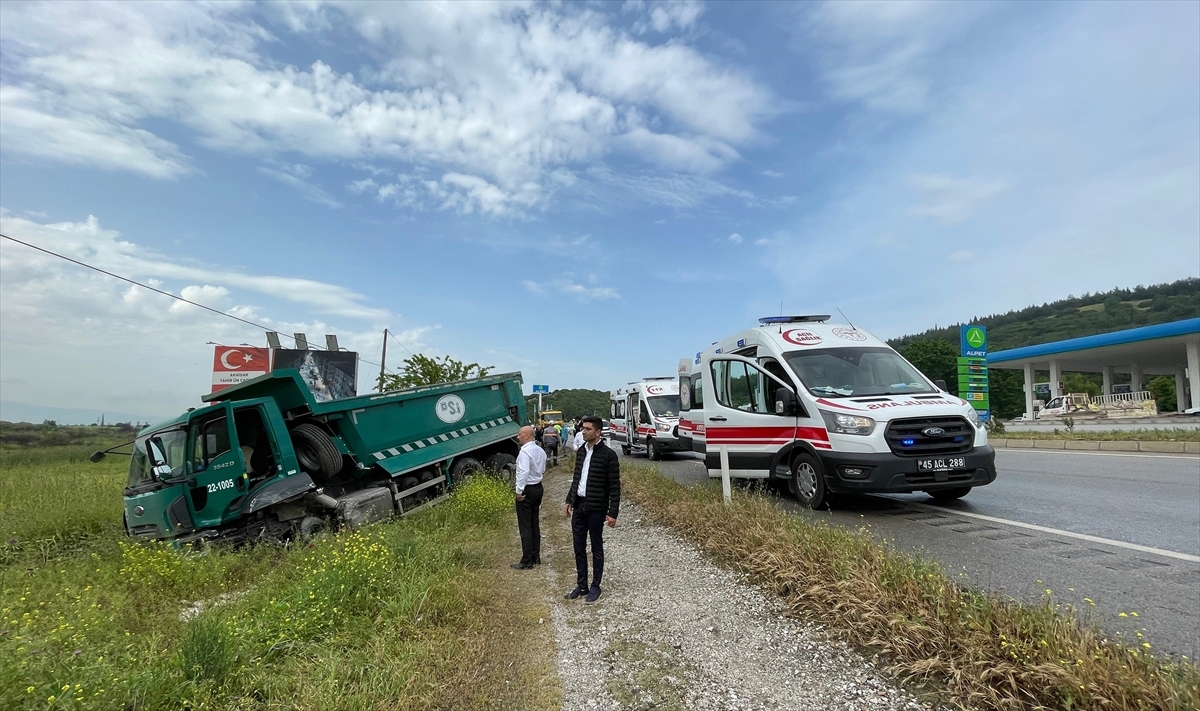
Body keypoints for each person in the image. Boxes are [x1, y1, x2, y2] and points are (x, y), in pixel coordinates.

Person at [564, 416, 620, 602]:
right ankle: (582, 585)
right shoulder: (581, 452)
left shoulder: (608, 455)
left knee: (596, 547)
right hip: (579, 505)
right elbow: (576, 479)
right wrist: (569, 500)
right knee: (578, 546)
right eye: (583, 428)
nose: (583, 431)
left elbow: (614, 486)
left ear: (598, 432)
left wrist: (612, 513)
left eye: (588, 429)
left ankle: (596, 586)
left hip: (596, 507)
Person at [512, 425, 546, 570]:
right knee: (534, 523)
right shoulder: (540, 450)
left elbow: (523, 472)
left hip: (527, 489)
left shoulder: (525, 453)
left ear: (526, 436)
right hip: (538, 486)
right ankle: (535, 555)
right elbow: (543, 468)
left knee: (525, 525)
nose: (517, 437)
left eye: (519, 434)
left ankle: (527, 560)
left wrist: (519, 491)